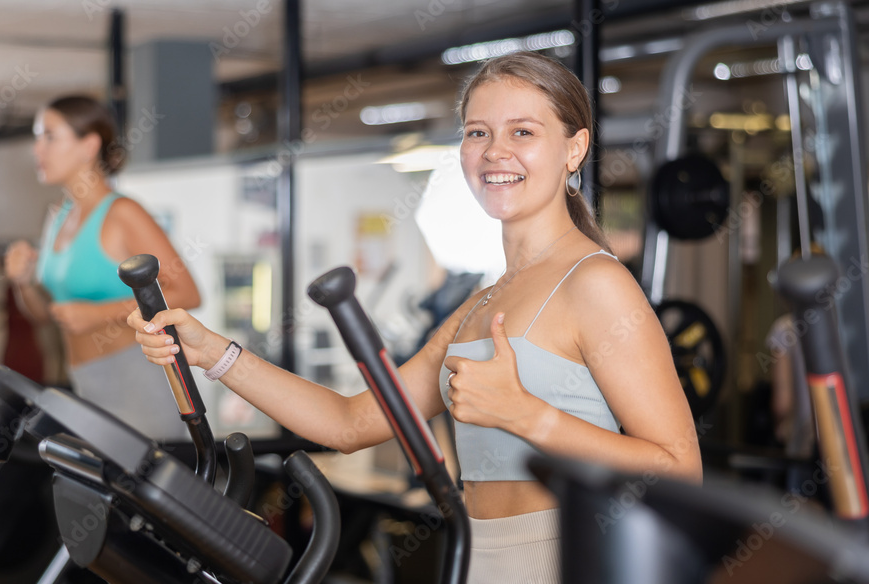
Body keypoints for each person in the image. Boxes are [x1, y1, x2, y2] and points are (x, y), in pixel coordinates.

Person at [128, 52, 701, 583]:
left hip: (561, 553)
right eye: (478, 133)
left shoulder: (595, 283)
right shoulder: (482, 301)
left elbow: (679, 471)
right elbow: (350, 422)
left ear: (574, 149)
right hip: (475, 552)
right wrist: (215, 354)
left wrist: (530, 417)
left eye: (522, 132)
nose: (495, 151)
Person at [6, 95, 201, 442]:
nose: (37, 150)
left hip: (135, 379)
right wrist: (22, 283)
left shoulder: (123, 213)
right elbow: (48, 314)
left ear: (89, 145)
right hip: (86, 382)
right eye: (37, 138)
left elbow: (187, 293)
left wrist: (99, 315)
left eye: (49, 137)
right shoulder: (58, 216)